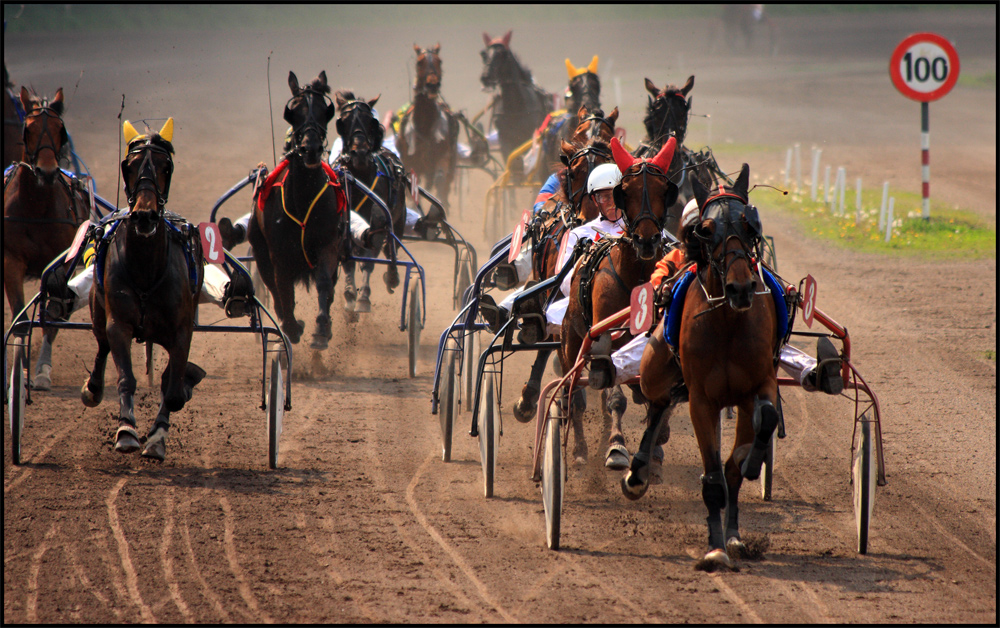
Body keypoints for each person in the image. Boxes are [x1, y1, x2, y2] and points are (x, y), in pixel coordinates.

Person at [587, 199, 843, 395]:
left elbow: (766, 279)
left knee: (772, 345)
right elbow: (658, 276)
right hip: (679, 334)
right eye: (699, 235)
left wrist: (788, 293)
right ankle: (610, 368)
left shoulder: (735, 263)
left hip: (735, 332)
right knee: (653, 342)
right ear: (688, 235)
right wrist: (660, 288)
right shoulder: (676, 257)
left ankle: (815, 372)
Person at [480, 163, 625, 343]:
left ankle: (524, 300)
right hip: (586, 298)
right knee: (544, 248)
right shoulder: (579, 231)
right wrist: (547, 212)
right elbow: (565, 282)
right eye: (604, 197)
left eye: (614, 196)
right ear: (595, 200)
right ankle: (515, 281)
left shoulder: (642, 232)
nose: (610, 203)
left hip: (629, 300)